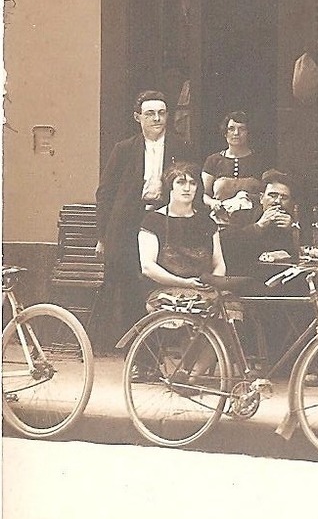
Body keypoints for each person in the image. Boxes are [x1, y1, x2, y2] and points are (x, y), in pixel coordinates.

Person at [95, 90, 197, 347]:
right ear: (137, 117)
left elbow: (190, 187)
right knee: (130, 286)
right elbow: (105, 193)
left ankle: (163, 349)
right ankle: (141, 357)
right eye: (150, 113)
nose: (156, 119)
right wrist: (103, 236)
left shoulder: (180, 147)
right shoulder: (124, 149)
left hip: (164, 222)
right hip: (127, 224)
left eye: (162, 113)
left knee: (158, 287)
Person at [136, 161, 227, 312]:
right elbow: (147, 267)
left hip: (204, 290)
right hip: (165, 290)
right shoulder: (153, 221)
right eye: (181, 182)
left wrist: (212, 284)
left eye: (192, 183)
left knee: (230, 311)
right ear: (170, 186)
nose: (187, 188)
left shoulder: (206, 222)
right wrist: (185, 283)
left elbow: (219, 263)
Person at [202, 112, 270, 208]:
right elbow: (204, 195)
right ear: (225, 133)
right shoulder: (213, 161)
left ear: (248, 133)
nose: (236, 133)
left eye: (242, 129)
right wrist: (212, 202)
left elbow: (269, 192)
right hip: (220, 216)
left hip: (254, 217)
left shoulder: (259, 160)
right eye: (231, 129)